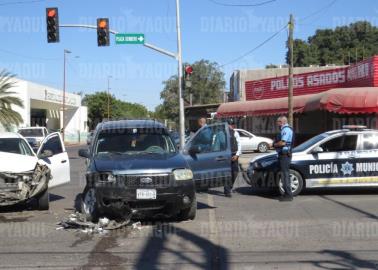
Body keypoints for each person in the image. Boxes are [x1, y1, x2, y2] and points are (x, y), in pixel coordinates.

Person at [273, 116, 294, 201]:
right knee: (284, 175)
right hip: (284, 154)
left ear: (282, 122)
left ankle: (288, 195)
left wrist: (274, 145)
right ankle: (286, 194)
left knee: (285, 175)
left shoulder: (286, 130)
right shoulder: (285, 129)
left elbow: (282, 143)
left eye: (278, 122)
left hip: (285, 155)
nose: (277, 124)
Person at [224, 118, 242, 198]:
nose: (231, 126)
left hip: (234, 155)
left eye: (232, 124)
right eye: (230, 124)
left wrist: (237, 155)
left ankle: (230, 187)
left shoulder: (235, 133)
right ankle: (227, 190)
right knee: (227, 174)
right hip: (226, 156)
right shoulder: (223, 133)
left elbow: (239, 145)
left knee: (235, 172)